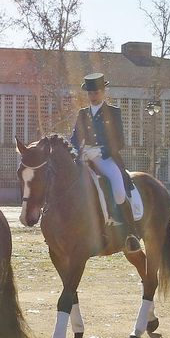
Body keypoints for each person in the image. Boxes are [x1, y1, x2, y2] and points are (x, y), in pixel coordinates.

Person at [70, 74, 141, 253]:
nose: (93, 96)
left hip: (106, 158)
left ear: (103, 92)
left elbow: (119, 141)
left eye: (96, 92)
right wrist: (75, 151)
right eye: (90, 93)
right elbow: (75, 138)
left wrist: (101, 151)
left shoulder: (113, 112)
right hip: (85, 157)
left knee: (118, 189)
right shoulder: (83, 113)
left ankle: (130, 233)